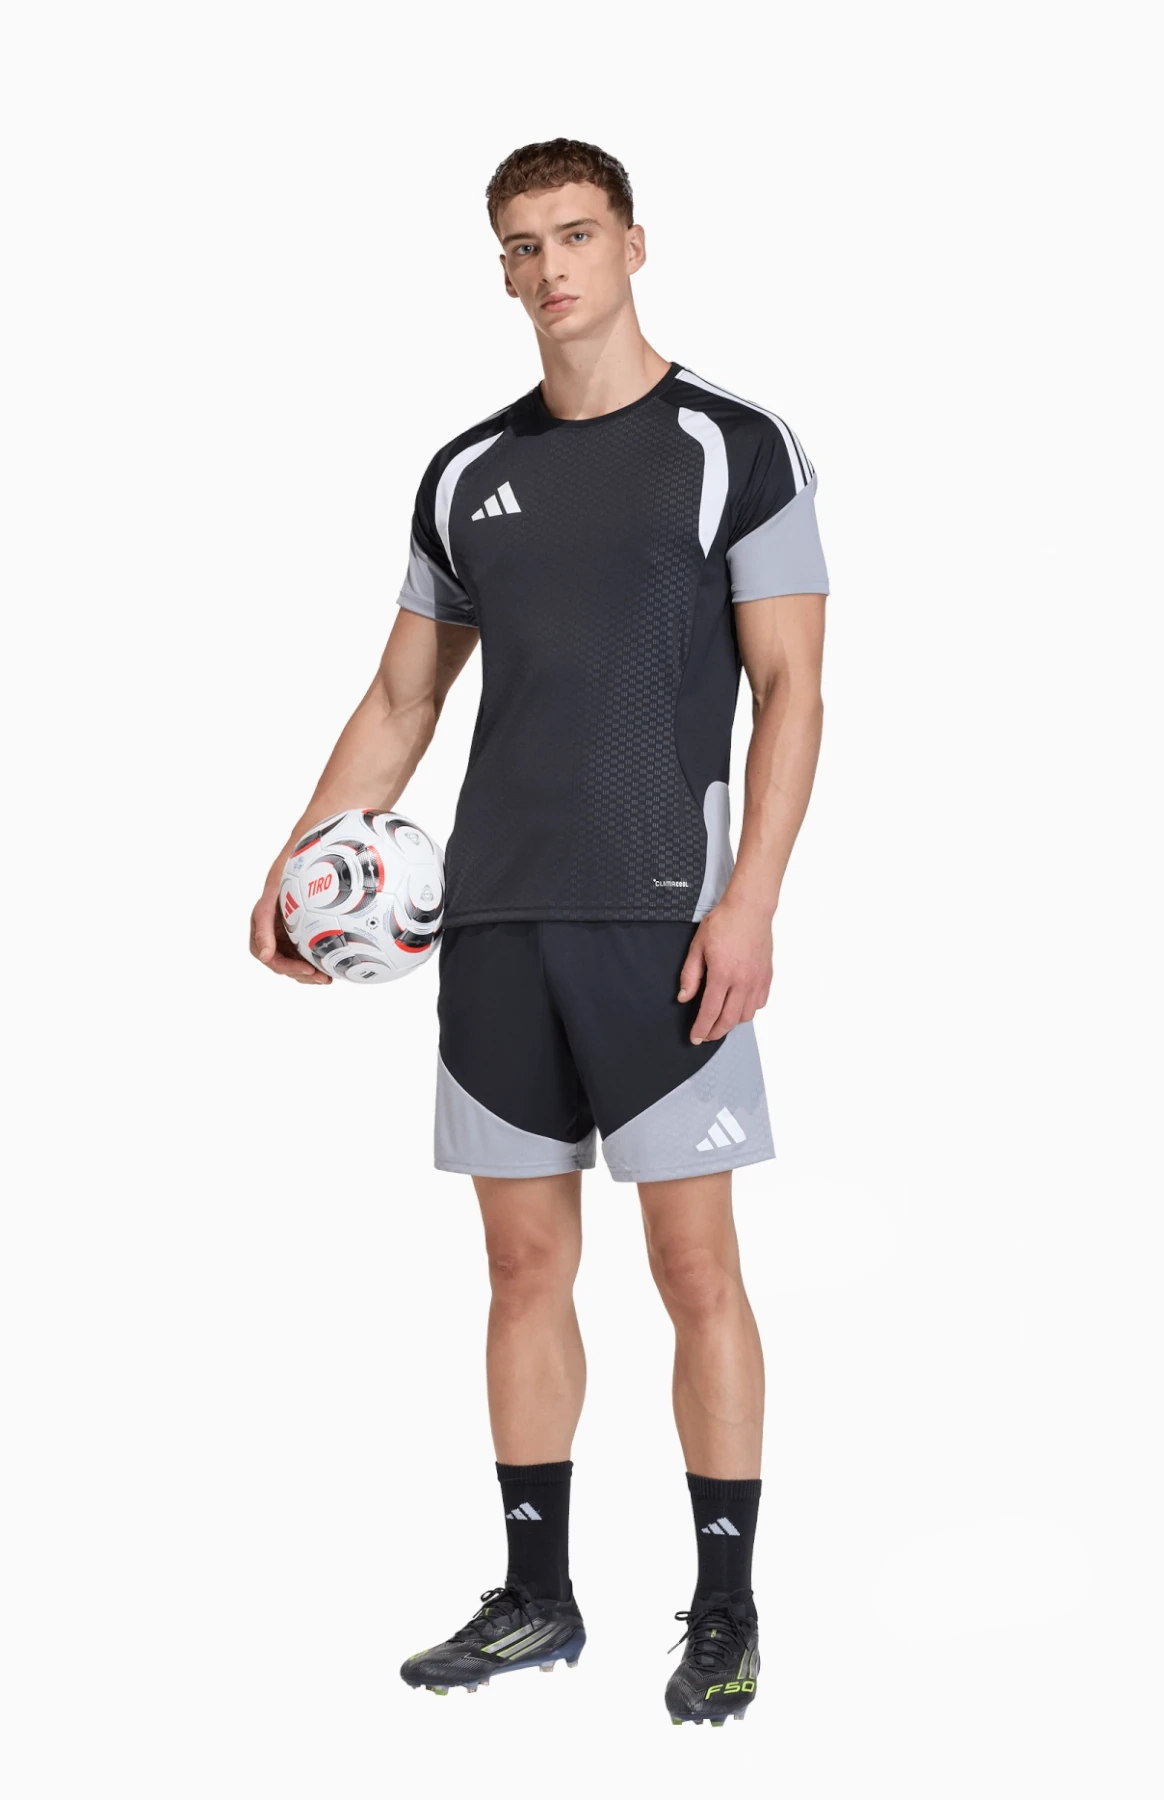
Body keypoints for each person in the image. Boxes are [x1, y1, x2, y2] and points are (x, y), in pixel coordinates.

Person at [249, 137, 829, 1727]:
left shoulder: (734, 446)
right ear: (500, 269)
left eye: (576, 234)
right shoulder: (466, 473)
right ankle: (537, 1598)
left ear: (634, 244)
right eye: (522, 244)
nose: (551, 267)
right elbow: (403, 700)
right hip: (494, 924)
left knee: (695, 1269)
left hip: (665, 923)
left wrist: (752, 899)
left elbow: (793, 690)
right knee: (520, 1269)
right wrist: (294, 864)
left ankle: (725, 1608)